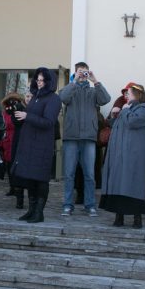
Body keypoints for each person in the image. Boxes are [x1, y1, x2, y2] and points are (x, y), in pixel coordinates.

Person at [59, 62, 111, 217]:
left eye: (85, 72)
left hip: (88, 138)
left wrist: (96, 81)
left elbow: (106, 99)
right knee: (69, 174)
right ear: (75, 73)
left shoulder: (94, 91)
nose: (83, 74)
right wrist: (74, 81)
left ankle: (90, 205)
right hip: (71, 137)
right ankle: (68, 205)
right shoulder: (70, 89)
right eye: (80, 72)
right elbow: (63, 97)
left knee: (89, 174)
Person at [11, 67, 62, 223]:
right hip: (29, 144)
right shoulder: (36, 97)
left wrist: (28, 115)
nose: (39, 83)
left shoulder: (54, 99)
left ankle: (39, 212)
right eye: (38, 80)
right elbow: (31, 118)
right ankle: (31, 210)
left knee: (40, 179)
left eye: (42, 80)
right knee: (30, 179)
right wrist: (19, 116)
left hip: (42, 146)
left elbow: (48, 122)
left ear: (49, 81)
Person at [101, 83, 145, 228]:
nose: (125, 95)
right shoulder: (127, 109)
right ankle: (119, 216)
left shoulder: (144, 109)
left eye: (128, 93)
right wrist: (113, 116)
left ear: (137, 94)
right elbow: (117, 126)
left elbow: (132, 122)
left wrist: (124, 111)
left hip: (134, 157)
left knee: (133, 185)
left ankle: (137, 218)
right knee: (119, 185)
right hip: (121, 155)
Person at [0, 93, 26, 209]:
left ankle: (18, 190)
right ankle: (12, 187)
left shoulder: (19, 111)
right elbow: (3, 126)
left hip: (17, 140)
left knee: (17, 167)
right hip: (7, 141)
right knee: (9, 166)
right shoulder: (5, 113)